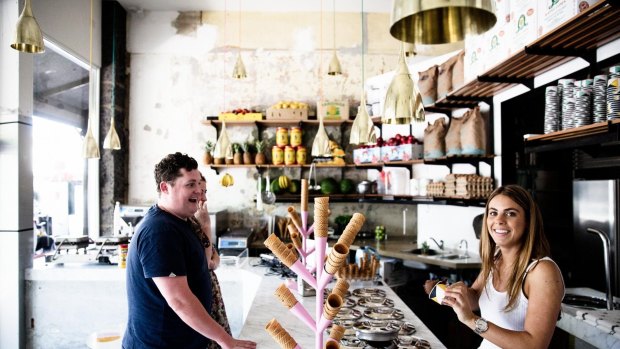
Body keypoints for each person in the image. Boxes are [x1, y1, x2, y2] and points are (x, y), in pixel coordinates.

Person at [122, 152, 256, 349]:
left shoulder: (182, 222)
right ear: (165, 187)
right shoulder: (159, 231)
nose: (199, 192)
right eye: (190, 185)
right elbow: (179, 300)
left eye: (199, 185)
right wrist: (225, 340)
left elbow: (205, 264)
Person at [425, 185, 564, 349]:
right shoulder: (496, 259)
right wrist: (446, 291)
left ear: (528, 221)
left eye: (510, 213)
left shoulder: (542, 271)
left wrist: (471, 320)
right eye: (493, 213)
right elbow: (476, 299)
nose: (499, 220)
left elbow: (535, 345)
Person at [191, 173, 232, 348]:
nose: (204, 197)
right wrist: (206, 225)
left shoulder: (195, 218)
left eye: (205, 191)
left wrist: (213, 260)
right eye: (201, 191)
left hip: (210, 289)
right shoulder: (195, 221)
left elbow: (214, 255)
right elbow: (207, 261)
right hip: (200, 293)